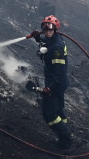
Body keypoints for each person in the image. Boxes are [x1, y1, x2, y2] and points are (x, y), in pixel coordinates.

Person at [28, 15, 73, 150]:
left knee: (49, 114)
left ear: (55, 29)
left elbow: (59, 72)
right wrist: (38, 39)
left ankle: (66, 136)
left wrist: (49, 89)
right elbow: (47, 45)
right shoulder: (54, 40)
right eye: (44, 28)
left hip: (56, 83)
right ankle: (65, 133)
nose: (47, 31)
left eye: (50, 29)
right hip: (59, 82)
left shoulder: (57, 48)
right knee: (58, 109)